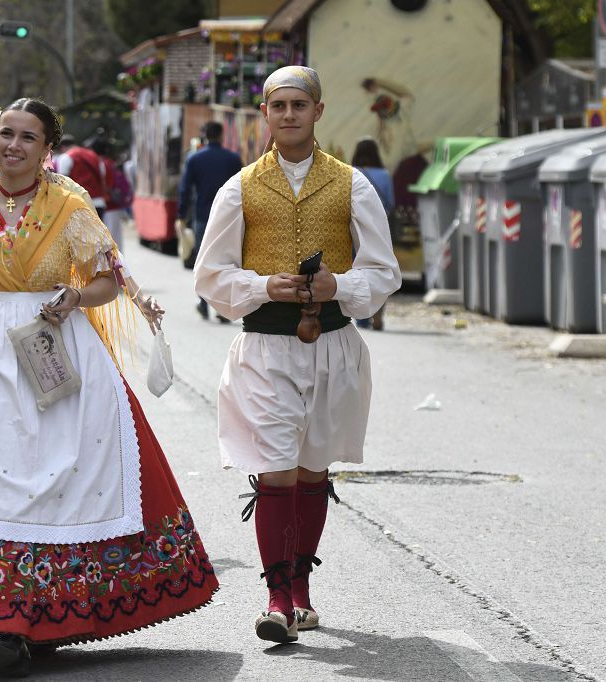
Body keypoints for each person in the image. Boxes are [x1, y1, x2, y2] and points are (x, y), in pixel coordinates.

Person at [0, 98, 217, 676]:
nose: (14, 146)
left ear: (46, 149)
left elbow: (104, 284)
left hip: (53, 347)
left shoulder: (68, 205)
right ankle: (8, 614)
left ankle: (38, 616)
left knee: (61, 474)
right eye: (7, 134)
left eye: (28, 137)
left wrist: (71, 298)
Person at [193, 66, 400, 644]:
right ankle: (277, 596)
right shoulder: (239, 187)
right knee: (276, 469)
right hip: (265, 347)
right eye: (278, 105)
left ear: (318, 111)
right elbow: (210, 274)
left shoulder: (352, 184)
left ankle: (302, 593)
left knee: (313, 470)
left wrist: (341, 287)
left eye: (298, 105)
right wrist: (263, 287)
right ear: (264, 114)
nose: (288, 114)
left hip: (333, 344)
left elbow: (384, 271)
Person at [177, 121, 243, 321]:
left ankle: (204, 304)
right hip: (229, 218)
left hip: (202, 215)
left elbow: (185, 189)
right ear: (222, 135)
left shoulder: (195, 159)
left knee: (204, 259)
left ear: (205, 135)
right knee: (227, 261)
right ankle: (224, 310)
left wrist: (181, 215)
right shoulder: (233, 159)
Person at [351, 137, 395, 331]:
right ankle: (378, 312)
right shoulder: (385, 175)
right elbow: (391, 203)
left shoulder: (352, 174)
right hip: (379, 227)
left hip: (353, 229)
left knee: (357, 268)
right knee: (378, 268)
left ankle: (361, 316)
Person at [57, 137, 110, 218]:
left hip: (79, 204)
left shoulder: (66, 157)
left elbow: (63, 182)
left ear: (63, 147)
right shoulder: (95, 156)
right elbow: (103, 176)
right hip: (99, 203)